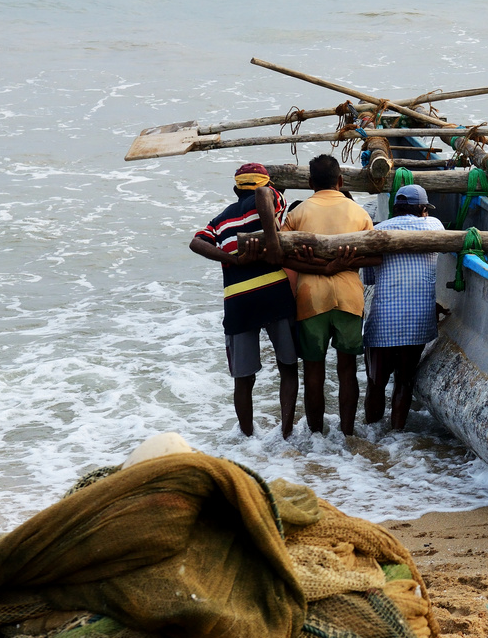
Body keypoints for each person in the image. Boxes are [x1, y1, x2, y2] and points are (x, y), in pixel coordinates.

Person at [188, 163, 300, 437]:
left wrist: (232, 260)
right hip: (274, 291)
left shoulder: (219, 220)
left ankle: (248, 437)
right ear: (269, 185)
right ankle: (286, 432)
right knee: (288, 367)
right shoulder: (272, 195)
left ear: (235, 189)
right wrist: (272, 242)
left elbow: (195, 243)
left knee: (243, 378)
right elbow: (263, 195)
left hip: (238, 301)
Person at [282, 154, 375, 434]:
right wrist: (342, 264)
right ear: (341, 181)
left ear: (310, 182)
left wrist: (319, 268)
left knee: (313, 371)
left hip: (310, 298)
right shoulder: (359, 212)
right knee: (347, 370)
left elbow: (282, 257)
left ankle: (315, 434)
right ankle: (347, 432)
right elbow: (374, 255)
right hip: (349, 298)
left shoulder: (297, 214)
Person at [362, 183, 444, 431]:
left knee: (376, 382)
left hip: (384, 321)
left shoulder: (377, 231)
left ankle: (371, 434)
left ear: (395, 208)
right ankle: (396, 433)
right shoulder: (435, 226)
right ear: (422, 209)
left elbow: (369, 279)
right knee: (404, 381)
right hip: (418, 321)